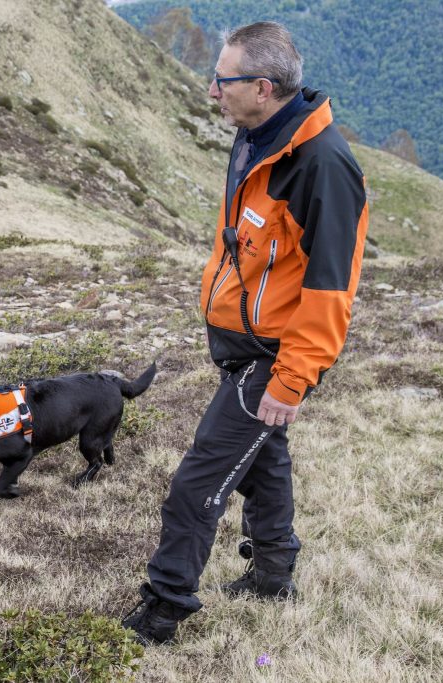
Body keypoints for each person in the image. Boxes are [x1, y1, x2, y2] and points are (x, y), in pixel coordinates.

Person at [122, 22, 368, 644]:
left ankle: (163, 608)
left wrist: (289, 381)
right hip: (242, 345)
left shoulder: (322, 167)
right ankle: (273, 574)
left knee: (195, 485)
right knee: (265, 458)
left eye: (222, 81)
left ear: (263, 87)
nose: (211, 91)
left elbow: (330, 291)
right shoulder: (255, 136)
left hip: (274, 354)